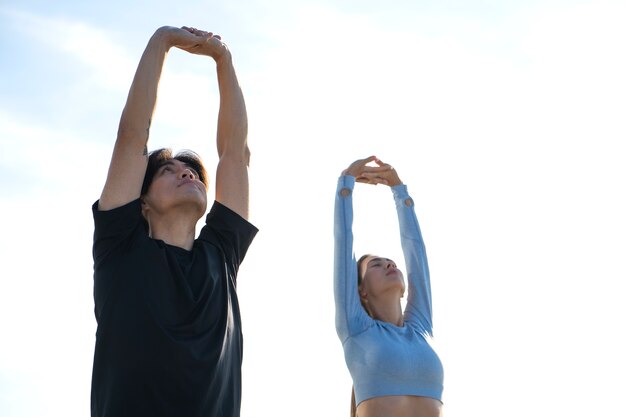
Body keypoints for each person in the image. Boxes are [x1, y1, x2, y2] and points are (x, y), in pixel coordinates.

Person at [90, 26, 257, 417]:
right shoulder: (120, 248)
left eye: (193, 171)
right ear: (142, 201)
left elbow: (235, 154)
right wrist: (161, 41)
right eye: (169, 171)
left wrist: (224, 60)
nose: (187, 174)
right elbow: (132, 138)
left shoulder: (222, 254)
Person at [334, 156, 444, 417]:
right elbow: (343, 243)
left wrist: (399, 191)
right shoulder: (357, 328)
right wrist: (345, 187)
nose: (388, 265)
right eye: (375, 265)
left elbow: (416, 253)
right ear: (360, 290)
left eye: (390, 261)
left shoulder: (420, 328)